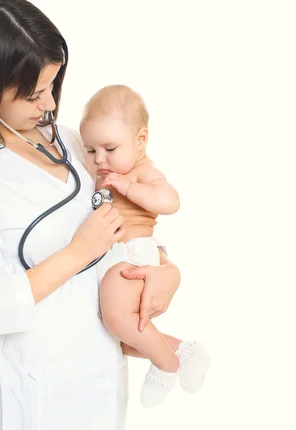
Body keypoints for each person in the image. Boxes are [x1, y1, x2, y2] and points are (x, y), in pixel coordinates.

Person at [0, 1, 181, 429]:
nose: (49, 103)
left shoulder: (73, 143)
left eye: (52, 85)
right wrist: (77, 253)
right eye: (32, 93)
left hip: (100, 376)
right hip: (32, 391)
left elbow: (124, 223)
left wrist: (165, 270)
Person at [79, 85, 210, 407]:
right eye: (91, 150)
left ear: (141, 140)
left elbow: (170, 201)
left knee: (117, 321)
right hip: (109, 257)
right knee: (114, 335)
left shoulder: (141, 171)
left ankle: (166, 363)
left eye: (109, 148)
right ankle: (181, 349)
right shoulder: (103, 169)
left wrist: (130, 187)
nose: (99, 159)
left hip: (133, 254)